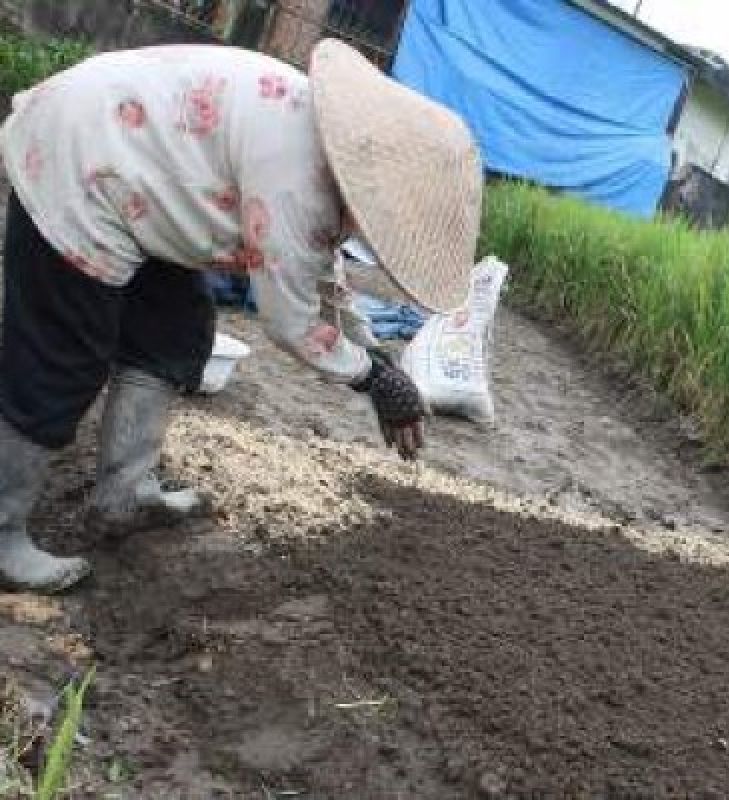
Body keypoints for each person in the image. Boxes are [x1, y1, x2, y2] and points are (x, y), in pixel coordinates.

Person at [0, 39, 483, 593]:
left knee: (173, 335)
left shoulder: (320, 139)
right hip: (83, 165)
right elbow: (292, 321)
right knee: (61, 362)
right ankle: (3, 533)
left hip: (141, 175)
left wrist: (375, 353)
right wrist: (372, 377)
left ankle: (122, 495)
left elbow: (324, 277)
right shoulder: (296, 180)